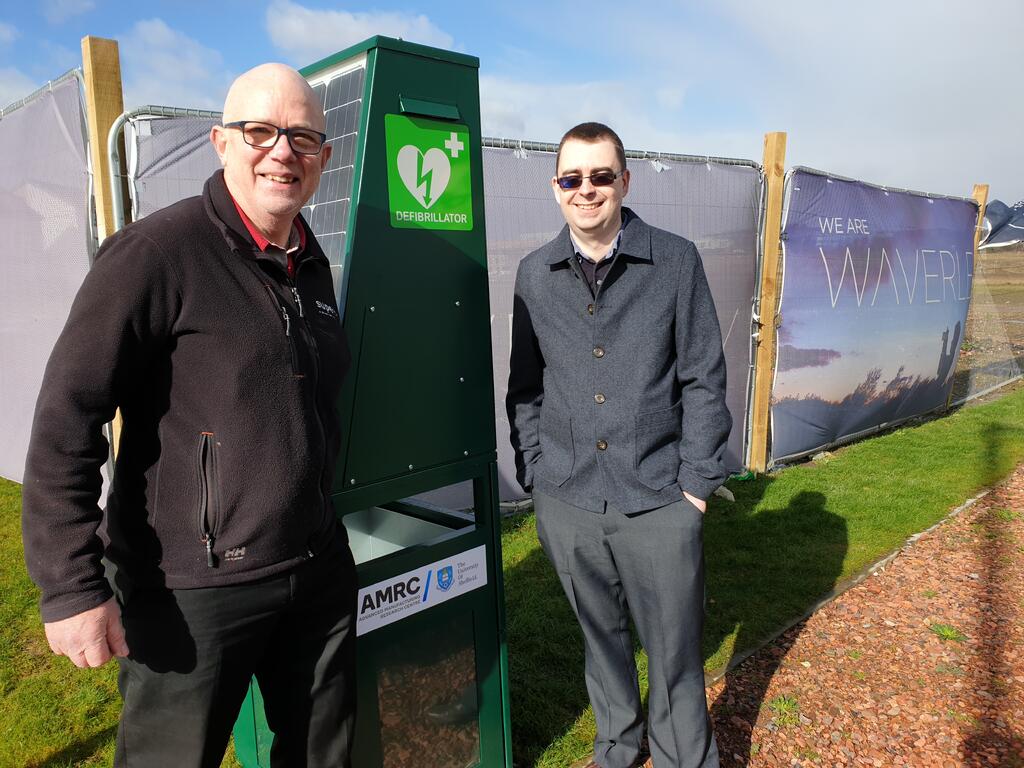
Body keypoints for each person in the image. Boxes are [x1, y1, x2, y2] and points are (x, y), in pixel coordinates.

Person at [21, 63, 357, 767]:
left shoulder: (312, 265)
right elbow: (65, 418)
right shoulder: (156, 255)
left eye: (302, 137)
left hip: (315, 570)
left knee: (324, 754)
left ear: (324, 157)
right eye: (260, 132)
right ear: (220, 142)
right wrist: (71, 584)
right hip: (191, 589)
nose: (282, 152)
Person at [506, 122, 730, 768]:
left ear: (624, 182)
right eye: (572, 178)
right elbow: (525, 389)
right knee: (601, 647)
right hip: (569, 503)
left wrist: (695, 489)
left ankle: (684, 757)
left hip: (661, 500)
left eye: (601, 176)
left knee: (675, 657)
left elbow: (704, 378)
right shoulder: (533, 276)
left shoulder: (676, 261)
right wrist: (539, 479)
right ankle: (616, 748)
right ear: (555, 189)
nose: (587, 190)